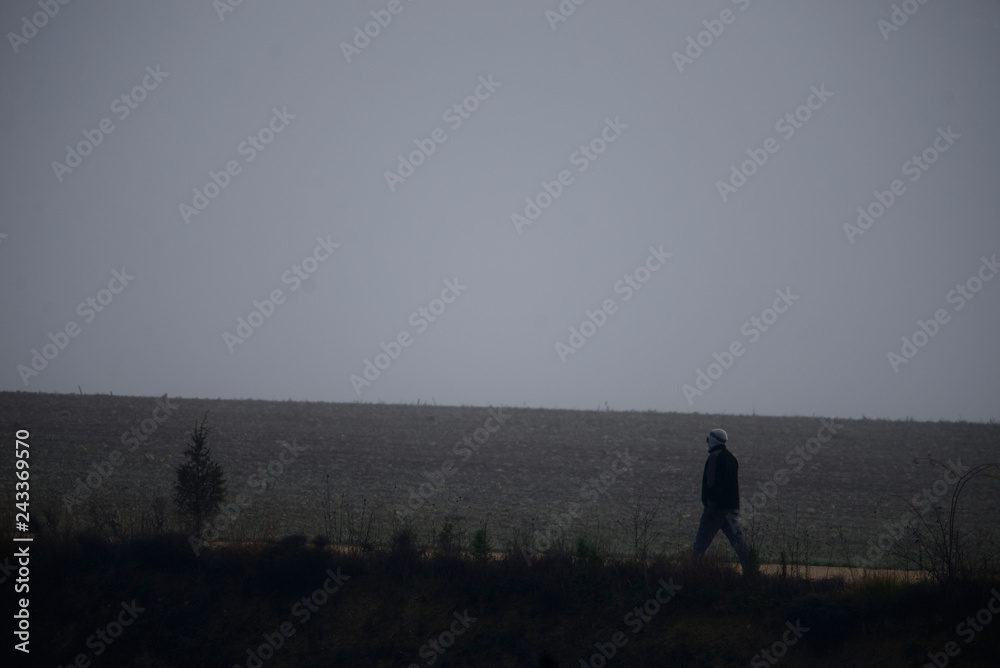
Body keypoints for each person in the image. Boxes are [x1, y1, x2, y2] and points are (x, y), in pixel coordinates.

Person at [692, 428, 750, 572]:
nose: (707, 443)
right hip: (732, 509)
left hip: (715, 511)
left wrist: (710, 506)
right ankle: (751, 571)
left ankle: (692, 573)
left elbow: (711, 484)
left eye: (707, 440)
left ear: (711, 440)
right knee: (739, 543)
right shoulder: (731, 458)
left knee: (700, 544)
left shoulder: (714, 458)